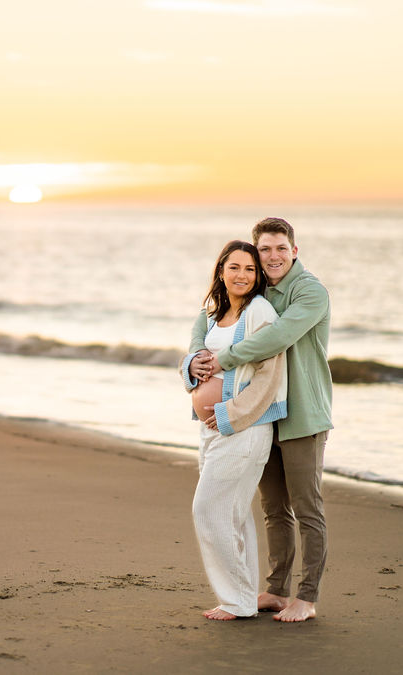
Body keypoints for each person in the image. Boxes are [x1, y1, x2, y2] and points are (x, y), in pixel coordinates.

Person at [188, 218, 332, 623]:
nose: (272, 257)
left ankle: (306, 597)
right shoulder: (258, 290)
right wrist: (193, 361)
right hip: (265, 417)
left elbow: (276, 339)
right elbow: (207, 325)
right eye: (264, 250)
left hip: (303, 414)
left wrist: (223, 360)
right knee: (273, 509)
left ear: (294, 251)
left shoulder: (309, 291)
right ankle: (276, 589)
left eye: (280, 249)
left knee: (306, 507)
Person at [180, 240, 289, 621]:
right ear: (221, 271)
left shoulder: (261, 313)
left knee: (208, 509)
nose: (242, 275)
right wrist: (190, 367)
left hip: (244, 428)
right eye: (234, 268)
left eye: (249, 269)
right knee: (233, 514)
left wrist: (229, 414)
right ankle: (243, 598)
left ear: (258, 276)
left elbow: (269, 376)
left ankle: (235, 600)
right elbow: (195, 353)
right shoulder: (214, 312)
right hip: (211, 431)